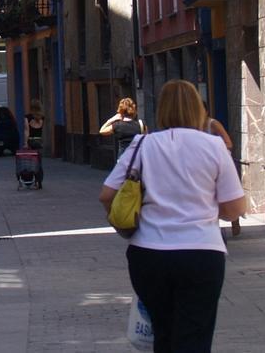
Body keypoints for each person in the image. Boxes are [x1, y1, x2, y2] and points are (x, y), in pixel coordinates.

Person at [99, 80, 246, 352]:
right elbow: (234, 208)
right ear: (198, 110)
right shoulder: (214, 146)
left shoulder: (142, 145)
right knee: (194, 337)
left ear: (161, 109)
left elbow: (107, 195)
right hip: (201, 253)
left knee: (163, 334)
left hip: (148, 254)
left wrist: (126, 225)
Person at [202, 114, 242, 237]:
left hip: (217, 165)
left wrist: (214, 150)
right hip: (204, 166)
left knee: (223, 194)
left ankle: (235, 221)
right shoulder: (192, 127)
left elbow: (229, 143)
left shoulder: (212, 124)